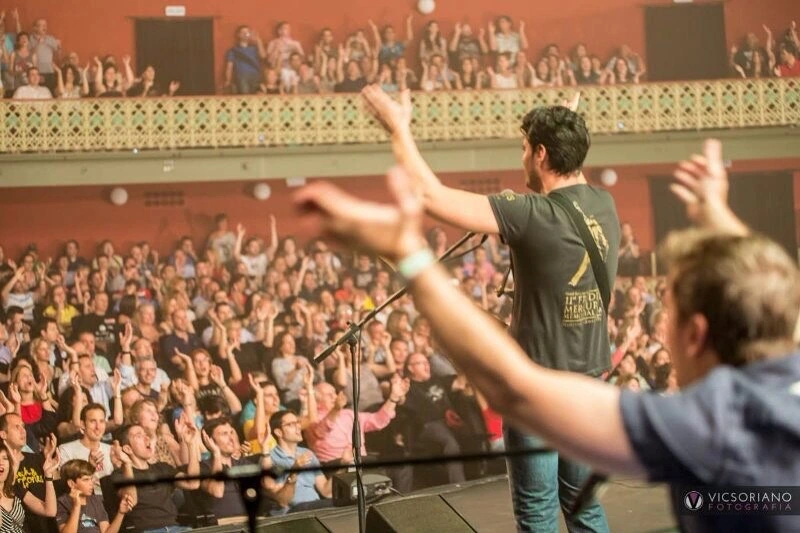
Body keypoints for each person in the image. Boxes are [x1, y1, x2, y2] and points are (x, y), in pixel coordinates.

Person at [293, 136, 800, 532]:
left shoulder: (704, 427)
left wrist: (407, 255)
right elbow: (772, 295)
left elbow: (514, 387)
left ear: (696, 334)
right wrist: (717, 215)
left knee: (540, 510)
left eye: (670, 315)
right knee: (590, 506)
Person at [361, 85, 616, 532]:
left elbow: (430, 196)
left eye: (525, 149)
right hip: (590, 386)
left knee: (537, 515)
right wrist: (563, 122)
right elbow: (565, 167)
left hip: (537, 391)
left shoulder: (532, 214)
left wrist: (399, 129)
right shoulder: (603, 203)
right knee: (585, 509)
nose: (521, 159)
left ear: (540, 154)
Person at [56, 459, 133, 533]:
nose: (91, 483)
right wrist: (76, 507)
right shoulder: (62, 502)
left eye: (91, 479)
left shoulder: (96, 500)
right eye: (86, 480)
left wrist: (120, 513)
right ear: (71, 484)